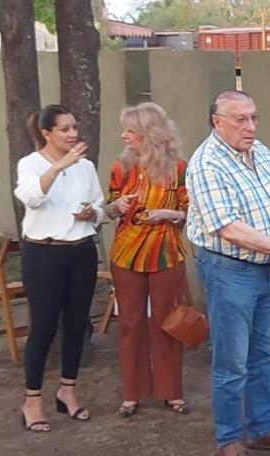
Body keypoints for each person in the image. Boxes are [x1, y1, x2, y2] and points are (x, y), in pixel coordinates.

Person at [186, 90, 270, 456]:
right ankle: (229, 440)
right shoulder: (206, 164)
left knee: (264, 354)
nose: (250, 126)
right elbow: (227, 227)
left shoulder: (261, 151)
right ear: (216, 122)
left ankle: (261, 428)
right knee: (232, 362)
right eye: (240, 120)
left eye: (253, 117)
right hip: (229, 271)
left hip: (267, 267)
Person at [14, 105, 105, 432]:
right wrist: (58, 167)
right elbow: (32, 198)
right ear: (46, 133)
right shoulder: (30, 164)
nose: (73, 134)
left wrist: (90, 213)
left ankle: (68, 391)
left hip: (80, 251)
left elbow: (98, 203)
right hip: (44, 254)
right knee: (43, 326)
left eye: (74, 128)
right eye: (65, 129)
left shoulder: (85, 167)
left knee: (77, 323)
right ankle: (32, 399)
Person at [104, 102, 190, 418]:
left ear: (150, 133)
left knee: (167, 322)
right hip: (126, 254)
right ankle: (132, 392)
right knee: (130, 322)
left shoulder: (177, 168)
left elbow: (191, 211)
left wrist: (170, 214)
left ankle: (171, 391)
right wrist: (118, 206)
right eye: (124, 129)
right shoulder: (121, 168)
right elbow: (109, 208)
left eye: (131, 130)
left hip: (166, 252)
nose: (124, 135)